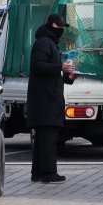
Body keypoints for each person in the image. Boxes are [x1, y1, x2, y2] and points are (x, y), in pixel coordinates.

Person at [27, 14, 77, 184]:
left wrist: (68, 77)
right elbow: (37, 66)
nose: (62, 30)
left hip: (46, 97)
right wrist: (60, 67)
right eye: (60, 27)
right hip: (45, 99)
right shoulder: (44, 43)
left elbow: (50, 74)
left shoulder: (49, 42)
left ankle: (37, 173)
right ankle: (48, 173)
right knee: (48, 138)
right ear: (52, 26)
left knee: (42, 137)